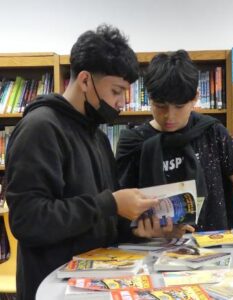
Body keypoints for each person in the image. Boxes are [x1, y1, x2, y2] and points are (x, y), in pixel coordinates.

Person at [5, 25, 173, 300]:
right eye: (117, 91)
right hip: (54, 288)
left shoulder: (97, 136)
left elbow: (101, 218)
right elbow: (28, 220)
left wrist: (141, 228)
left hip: (96, 283)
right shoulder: (40, 128)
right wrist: (112, 203)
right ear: (85, 81)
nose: (122, 102)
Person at [116, 49, 233, 232]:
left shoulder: (212, 133)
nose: (170, 116)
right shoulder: (133, 142)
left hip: (213, 248)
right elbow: (120, 215)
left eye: (179, 106)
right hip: (152, 253)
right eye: (160, 106)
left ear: (195, 98)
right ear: (150, 99)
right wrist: (146, 233)